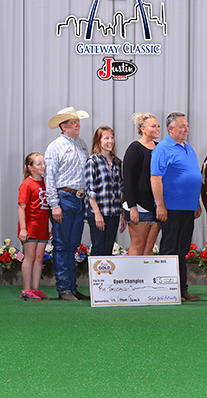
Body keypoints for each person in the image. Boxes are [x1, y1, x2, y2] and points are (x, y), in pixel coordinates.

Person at [151, 112, 203, 302]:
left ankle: (181, 289)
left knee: (182, 249)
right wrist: (160, 205)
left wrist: (195, 201)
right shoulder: (162, 149)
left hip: (188, 207)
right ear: (171, 129)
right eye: (182, 126)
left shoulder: (187, 147)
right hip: (171, 207)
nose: (186, 130)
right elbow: (155, 178)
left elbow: (192, 176)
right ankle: (166, 290)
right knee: (169, 248)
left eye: (186, 126)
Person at [45, 107, 90, 301]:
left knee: (72, 245)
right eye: (73, 123)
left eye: (78, 122)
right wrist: (54, 204)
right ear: (63, 126)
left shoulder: (81, 144)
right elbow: (50, 177)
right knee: (62, 245)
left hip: (79, 199)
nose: (77, 125)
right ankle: (64, 288)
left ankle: (71, 287)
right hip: (64, 198)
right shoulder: (54, 147)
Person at [123, 113, 162, 255]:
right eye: (153, 126)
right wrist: (132, 207)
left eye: (158, 126)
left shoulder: (159, 148)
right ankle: (132, 277)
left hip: (155, 205)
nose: (157, 129)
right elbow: (128, 179)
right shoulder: (135, 148)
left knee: (149, 247)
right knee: (138, 244)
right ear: (142, 128)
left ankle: (146, 278)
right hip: (139, 205)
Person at [85, 126, 126, 256]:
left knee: (108, 249)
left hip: (113, 213)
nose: (110, 141)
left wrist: (122, 214)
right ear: (98, 141)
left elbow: (120, 189)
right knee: (98, 248)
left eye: (112, 138)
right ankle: (96, 277)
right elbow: (90, 191)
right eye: (106, 138)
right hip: (99, 212)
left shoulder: (117, 162)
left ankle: (106, 276)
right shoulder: (93, 161)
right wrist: (97, 214)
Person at [17, 153, 50, 301]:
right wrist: (23, 229)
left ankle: (36, 289)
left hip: (42, 227)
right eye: (38, 164)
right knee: (29, 258)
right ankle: (26, 290)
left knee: (39, 258)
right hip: (30, 226)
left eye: (43, 163)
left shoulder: (46, 182)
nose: (42, 166)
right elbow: (21, 207)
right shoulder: (26, 184)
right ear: (30, 168)